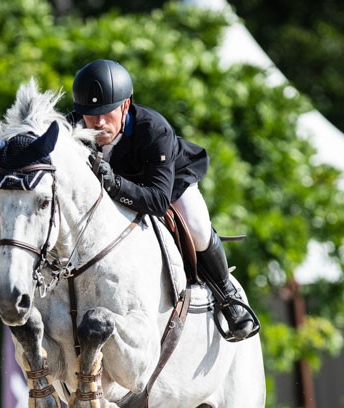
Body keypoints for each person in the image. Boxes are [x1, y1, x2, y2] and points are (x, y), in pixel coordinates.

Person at [69, 58, 256, 341]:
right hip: (115, 185)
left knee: (197, 226)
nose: (98, 122)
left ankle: (228, 296)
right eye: (90, 114)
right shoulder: (73, 126)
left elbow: (157, 201)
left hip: (167, 181)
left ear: (125, 106)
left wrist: (115, 184)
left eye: (107, 113)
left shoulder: (154, 129)